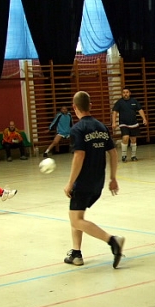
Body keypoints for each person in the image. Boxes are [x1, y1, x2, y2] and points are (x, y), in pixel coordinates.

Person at [63, 91, 125, 268]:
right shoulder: (101, 126)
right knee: (76, 214)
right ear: (90, 105)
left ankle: (112, 241)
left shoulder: (77, 129)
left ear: (74, 107)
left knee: (75, 220)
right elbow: (113, 153)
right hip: (98, 180)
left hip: (83, 181)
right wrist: (113, 178)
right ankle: (76, 253)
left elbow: (79, 156)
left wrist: (70, 183)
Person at [112, 88, 148, 162]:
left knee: (133, 139)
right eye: (124, 92)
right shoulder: (119, 102)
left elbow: (140, 110)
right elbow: (114, 112)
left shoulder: (134, 101)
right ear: (122, 94)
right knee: (125, 138)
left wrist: (144, 119)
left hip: (133, 123)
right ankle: (124, 156)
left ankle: (133, 156)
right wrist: (114, 122)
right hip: (123, 124)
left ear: (130, 93)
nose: (125, 94)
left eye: (127, 92)